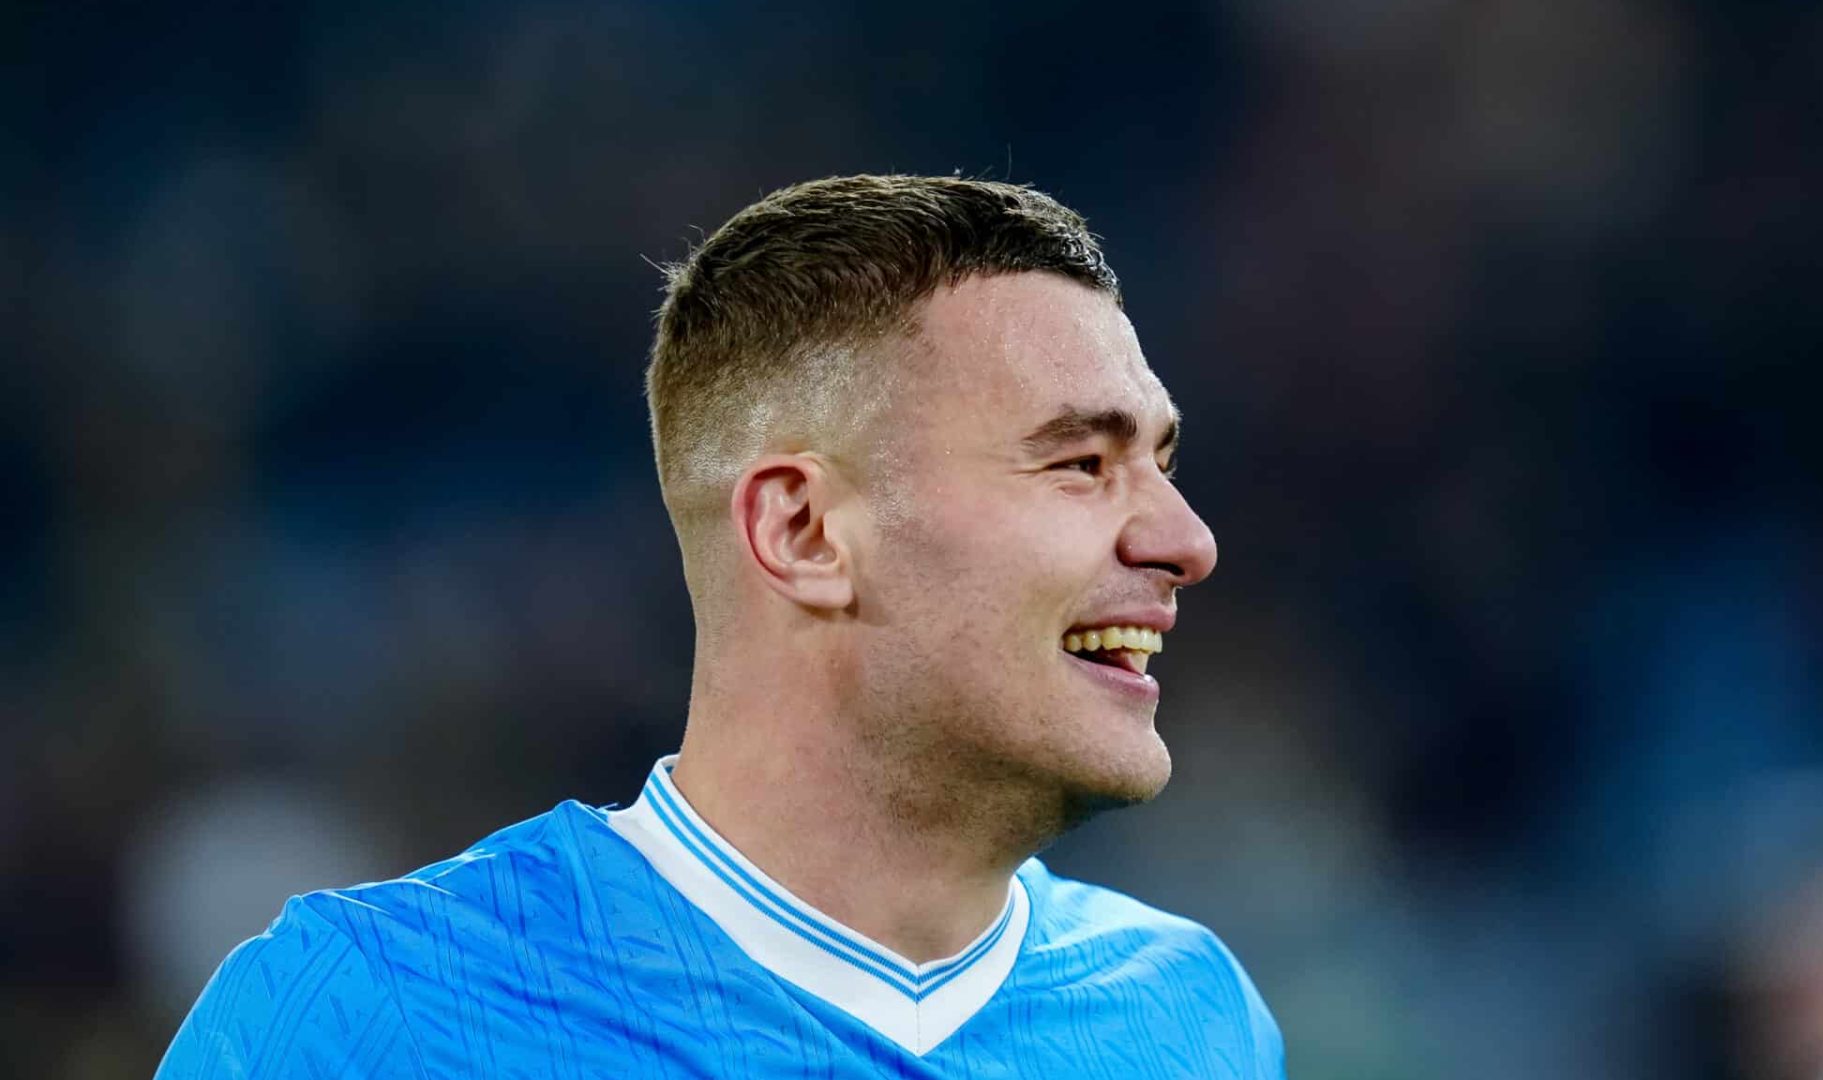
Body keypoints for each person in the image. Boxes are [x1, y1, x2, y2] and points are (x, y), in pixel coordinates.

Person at [158, 175, 1285, 1078]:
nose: (1187, 540)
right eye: (1080, 463)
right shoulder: (370, 1018)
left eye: (1162, 462)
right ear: (803, 532)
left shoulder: (1194, 1019)